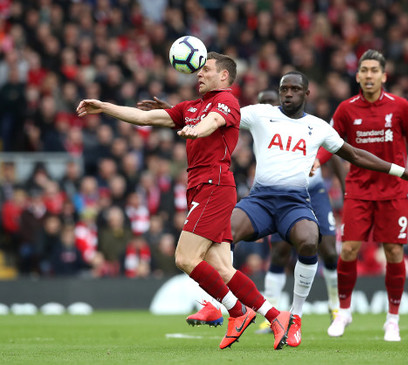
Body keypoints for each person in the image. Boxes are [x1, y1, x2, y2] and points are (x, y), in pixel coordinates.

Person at [182, 71, 408, 348]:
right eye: (283, 89)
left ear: (306, 94)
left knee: (310, 241)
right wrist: (181, 115)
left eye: (294, 89)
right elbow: (218, 115)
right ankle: (217, 304)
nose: (288, 93)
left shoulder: (318, 127)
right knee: (221, 233)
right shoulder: (260, 114)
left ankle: (295, 316)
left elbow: (355, 155)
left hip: (295, 202)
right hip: (260, 200)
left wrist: (402, 171)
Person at [76, 52, 293, 351]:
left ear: (224, 76)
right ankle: (276, 315)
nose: (199, 74)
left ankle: (236, 312)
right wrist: (104, 107)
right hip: (201, 187)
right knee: (223, 268)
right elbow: (144, 117)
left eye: (206, 69)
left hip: (214, 186)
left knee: (184, 258)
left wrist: (196, 129)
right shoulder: (190, 107)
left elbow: (213, 123)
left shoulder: (226, 102)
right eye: (198, 70)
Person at [318, 50, 408, 342]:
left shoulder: (401, 107)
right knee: (349, 250)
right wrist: (314, 161)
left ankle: (392, 320)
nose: (369, 75)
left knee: (394, 253)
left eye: (374, 70)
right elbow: (330, 143)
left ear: (384, 75)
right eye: (364, 70)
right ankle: (344, 312)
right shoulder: (345, 109)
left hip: (394, 191)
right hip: (358, 190)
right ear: (357, 76)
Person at [254, 89, 345, 335]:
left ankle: (335, 307)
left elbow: (336, 154)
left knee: (327, 250)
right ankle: (270, 313)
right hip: (281, 197)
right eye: (263, 104)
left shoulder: (308, 126)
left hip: (314, 194)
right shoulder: (261, 127)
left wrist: (346, 193)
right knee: (280, 252)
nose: (267, 109)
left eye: (270, 104)